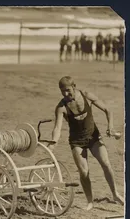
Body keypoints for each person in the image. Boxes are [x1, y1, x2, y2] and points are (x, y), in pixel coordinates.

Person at [47, 76, 124, 210]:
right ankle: (90, 201)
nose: (65, 94)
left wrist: (110, 127)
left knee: (106, 164)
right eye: (62, 91)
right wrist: (53, 143)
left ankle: (115, 194)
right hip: (77, 142)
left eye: (68, 90)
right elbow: (57, 128)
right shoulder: (61, 107)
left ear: (74, 86)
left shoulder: (87, 96)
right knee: (84, 172)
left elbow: (108, 110)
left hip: (93, 137)